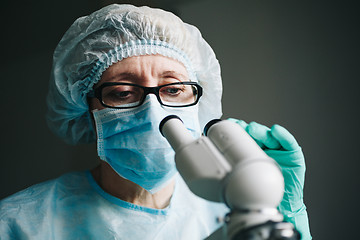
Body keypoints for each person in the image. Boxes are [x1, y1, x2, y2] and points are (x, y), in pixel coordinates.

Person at [0, 4, 311, 239]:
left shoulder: (234, 206)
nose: (153, 112)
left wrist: (283, 214)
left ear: (198, 102)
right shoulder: (21, 224)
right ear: (87, 109)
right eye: (122, 92)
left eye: (173, 89)